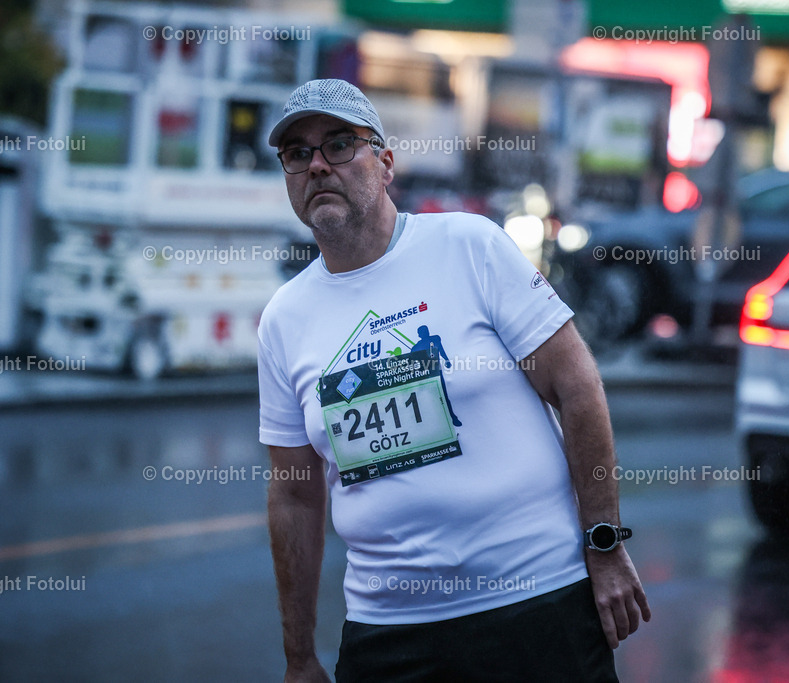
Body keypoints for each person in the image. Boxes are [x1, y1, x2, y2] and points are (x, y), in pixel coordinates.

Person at [258, 78, 650, 682]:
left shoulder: (470, 246)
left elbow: (578, 388)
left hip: (537, 605)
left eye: (339, 145)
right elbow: (294, 493)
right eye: (296, 154)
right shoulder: (285, 319)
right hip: (389, 634)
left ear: (385, 163)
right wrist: (297, 655)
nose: (316, 166)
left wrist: (603, 543)